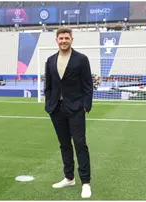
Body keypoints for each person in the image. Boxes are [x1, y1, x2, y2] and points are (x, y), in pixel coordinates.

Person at [44, 27, 93, 199]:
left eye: (66, 38)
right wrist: (48, 104)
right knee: (64, 145)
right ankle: (69, 177)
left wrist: (86, 106)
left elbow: (88, 84)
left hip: (76, 109)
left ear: (72, 39)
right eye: (61, 38)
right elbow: (48, 86)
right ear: (56, 40)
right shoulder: (50, 60)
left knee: (80, 144)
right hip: (56, 109)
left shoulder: (81, 59)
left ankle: (86, 182)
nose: (63, 41)